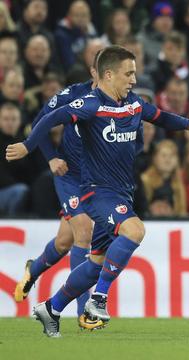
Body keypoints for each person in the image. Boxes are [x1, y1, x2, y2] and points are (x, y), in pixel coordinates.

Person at [5, 45, 189, 337]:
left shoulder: (132, 104)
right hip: (97, 193)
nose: (133, 80)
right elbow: (51, 118)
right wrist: (29, 145)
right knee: (135, 230)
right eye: (129, 74)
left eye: (135, 73)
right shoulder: (90, 104)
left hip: (121, 191)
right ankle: (96, 301)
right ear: (109, 74)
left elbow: (160, 117)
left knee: (95, 263)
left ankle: (51, 308)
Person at [13, 52, 106, 329]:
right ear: (94, 73)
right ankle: (83, 312)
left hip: (96, 179)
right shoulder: (72, 95)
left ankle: (34, 269)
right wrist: (51, 157)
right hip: (69, 176)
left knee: (65, 242)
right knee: (84, 232)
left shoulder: (121, 103)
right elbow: (40, 121)